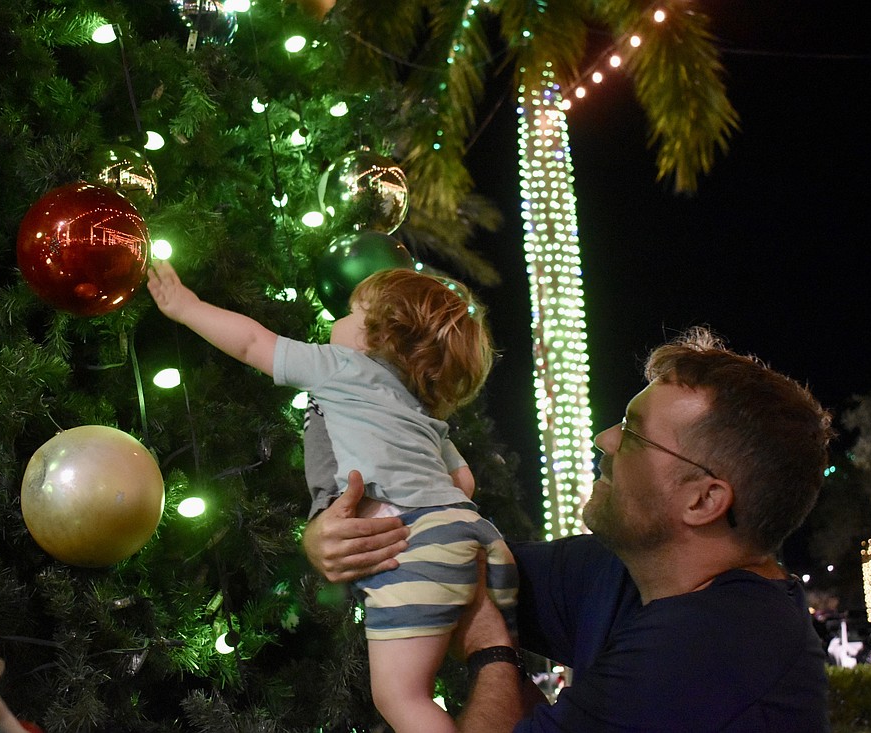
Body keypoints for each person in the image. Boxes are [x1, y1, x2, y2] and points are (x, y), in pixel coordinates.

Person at [303, 327, 834, 732]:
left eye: (633, 434)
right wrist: (332, 535)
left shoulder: (718, 650)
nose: (604, 439)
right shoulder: (621, 571)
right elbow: (441, 556)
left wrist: (493, 648)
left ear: (703, 499)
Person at [147, 261, 518, 733]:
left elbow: (253, 342)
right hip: (473, 535)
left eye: (349, 312)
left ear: (376, 336)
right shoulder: (418, 407)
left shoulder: (340, 365)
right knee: (493, 671)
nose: (333, 321)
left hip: (410, 543)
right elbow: (462, 484)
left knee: (401, 698)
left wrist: (188, 307)